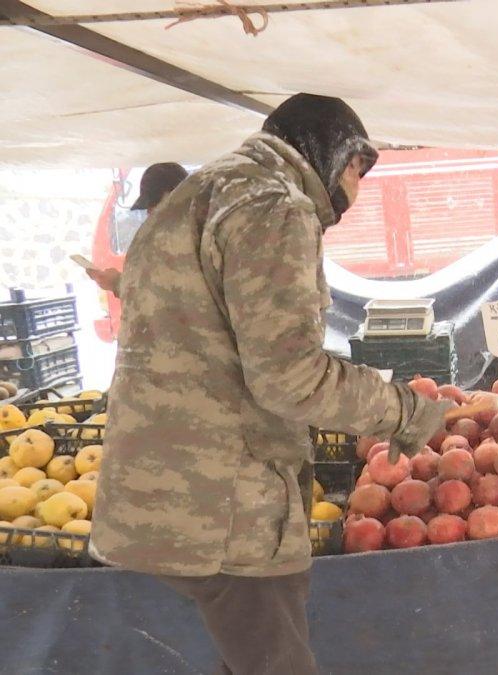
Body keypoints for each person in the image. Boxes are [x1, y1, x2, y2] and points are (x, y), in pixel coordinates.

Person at [89, 93, 449, 675]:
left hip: (163, 493)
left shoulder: (198, 193)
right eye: (357, 171)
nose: (355, 191)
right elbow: (290, 377)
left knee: (247, 658)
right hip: (227, 506)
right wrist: (403, 410)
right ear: (334, 155)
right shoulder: (274, 206)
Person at [85, 162, 188, 296]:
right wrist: (116, 283)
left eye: (155, 203)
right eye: (148, 207)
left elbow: (172, 294)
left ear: (175, 197)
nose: (149, 212)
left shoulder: (194, 241)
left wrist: (117, 283)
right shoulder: (177, 239)